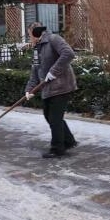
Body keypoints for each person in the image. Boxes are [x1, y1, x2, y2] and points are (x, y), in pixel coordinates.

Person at [24, 22, 78, 158]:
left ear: (36, 32)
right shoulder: (37, 48)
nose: (29, 37)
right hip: (49, 88)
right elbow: (35, 71)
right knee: (49, 115)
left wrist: (53, 71)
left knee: (54, 118)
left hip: (62, 86)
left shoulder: (54, 39)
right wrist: (29, 89)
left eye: (30, 34)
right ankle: (68, 140)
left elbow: (69, 53)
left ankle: (57, 149)